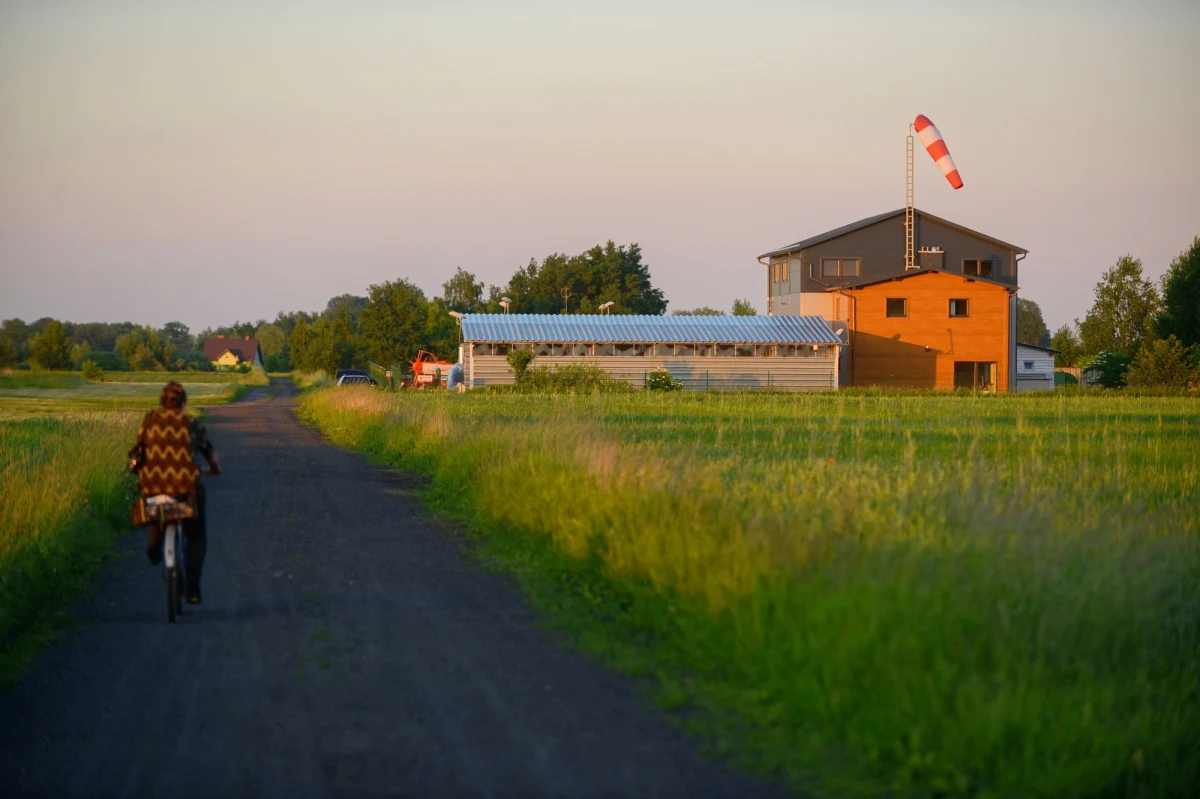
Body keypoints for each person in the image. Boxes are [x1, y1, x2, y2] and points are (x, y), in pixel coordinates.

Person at [128, 381, 220, 604]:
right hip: (184, 491)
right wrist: (214, 469)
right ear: (184, 403)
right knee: (196, 536)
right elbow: (209, 453)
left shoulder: (149, 421)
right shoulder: (191, 424)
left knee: (155, 517)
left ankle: (153, 549)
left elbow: (138, 449)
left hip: (153, 487)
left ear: (162, 402)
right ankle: (193, 588)